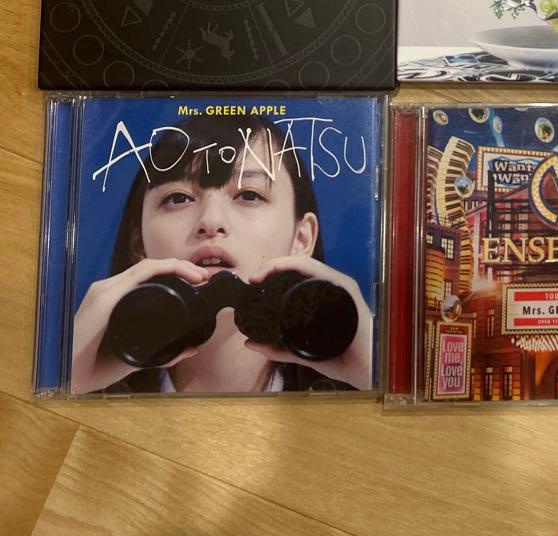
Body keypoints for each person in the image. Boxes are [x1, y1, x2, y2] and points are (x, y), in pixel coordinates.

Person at [70, 113, 374, 394]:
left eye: (249, 194)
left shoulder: (352, 387)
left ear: (301, 238)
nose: (211, 221)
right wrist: (66, 379)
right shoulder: (81, 381)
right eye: (178, 198)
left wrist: (374, 375)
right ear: (138, 242)